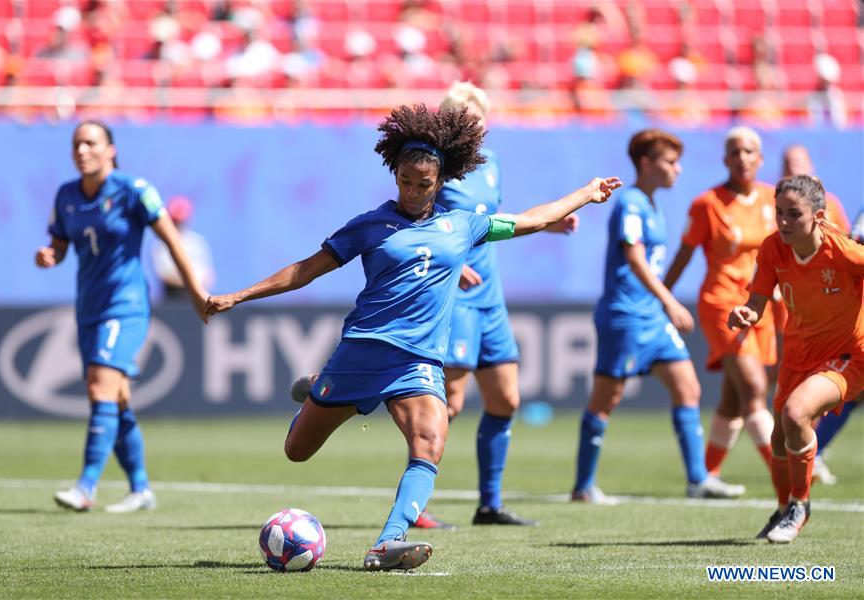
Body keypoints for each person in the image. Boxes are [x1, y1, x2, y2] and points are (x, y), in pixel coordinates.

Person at [203, 103, 621, 571]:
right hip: (362, 351)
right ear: (395, 175)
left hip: (417, 361)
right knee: (296, 452)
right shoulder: (370, 225)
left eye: (423, 185)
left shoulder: (464, 225)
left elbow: (534, 219)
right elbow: (304, 271)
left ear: (439, 183)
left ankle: (387, 543)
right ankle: (320, 388)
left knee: (429, 443)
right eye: (406, 182)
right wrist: (237, 296)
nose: (414, 192)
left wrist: (586, 192)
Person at [409, 81, 580, 529]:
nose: (476, 122)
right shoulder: (434, 168)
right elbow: (417, 223)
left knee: (506, 398)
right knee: (449, 403)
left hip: (490, 297)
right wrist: (452, 260)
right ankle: (415, 504)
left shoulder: (492, 163)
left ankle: (489, 505)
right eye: (466, 115)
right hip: (455, 297)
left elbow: (491, 220)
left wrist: (545, 225)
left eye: (481, 115)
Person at [35, 120, 208, 513]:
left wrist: (196, 292)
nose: (82, 150)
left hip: (125, 304)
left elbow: (171, 239)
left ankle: (86, 486)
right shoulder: (66, 196)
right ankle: (141, 489)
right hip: (89, 307)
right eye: (76, 144)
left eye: (90, 143)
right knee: (117, 398)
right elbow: (60, 246)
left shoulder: (133, 190)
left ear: (110, 149)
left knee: (100, 388)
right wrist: (49, 256)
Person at [571, 129, 744, 504]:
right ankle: (583, 486)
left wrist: (662, 304)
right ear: (646, 164)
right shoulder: (630, 202)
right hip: (627, 317)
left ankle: (698, 480)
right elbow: (633, 258)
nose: (677, 169)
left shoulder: (652, 204)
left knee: (688, 388)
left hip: (651, 317)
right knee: (606, 400)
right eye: (670, 162)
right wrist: (669, 300)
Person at [728, 175, 864, 543]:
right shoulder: (773, 248)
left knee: (796, 413)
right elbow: (755, 303)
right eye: (779, 213)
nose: (783, 222)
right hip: (799, 355)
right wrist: (745, 314)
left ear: (818, 216)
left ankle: (799, 506)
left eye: (794, 214)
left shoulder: (847, 253)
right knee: (778, 443)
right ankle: (783, 508)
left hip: (847, 355)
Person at [664, 126, 776, 482]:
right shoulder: (707, 204)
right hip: (723, 304)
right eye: (734, 151)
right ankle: (787, 476)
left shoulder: (774, 199)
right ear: (724, 158)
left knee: (733, 398)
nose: (742, 158)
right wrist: (662, 295)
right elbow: (684, 254)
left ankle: (705, 474)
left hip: (761, 305)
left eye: (748, 151)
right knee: (755, 389)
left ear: (760, 158)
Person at [779, 144, 855, 485]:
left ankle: (806, 471)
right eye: (788, 166)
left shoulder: (832, 213)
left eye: (799, 166)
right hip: (799, 321)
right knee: (781, 409)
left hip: (842, 327)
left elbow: (848, 250)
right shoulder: (779, 216)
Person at [152, 195, 215, 301]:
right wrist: (190, 282)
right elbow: (165, 275)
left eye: (180, 221)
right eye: (175, 221)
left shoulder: (197, 242)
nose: (178, 224)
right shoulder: (161, 245)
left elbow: (208, 274)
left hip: (198, 295)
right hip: (173, 298)